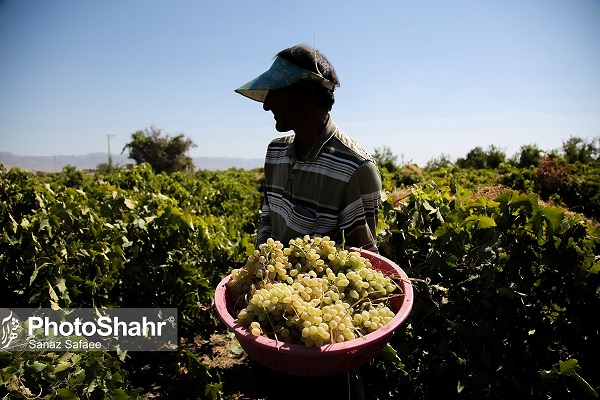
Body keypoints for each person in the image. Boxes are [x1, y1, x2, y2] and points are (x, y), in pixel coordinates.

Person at [235, 44, 382, 253]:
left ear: (305, 94)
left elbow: (363, 259)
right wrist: (262, 265)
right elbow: (268, 217)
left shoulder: (354, 169)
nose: (266, 105)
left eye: (275, 92)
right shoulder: (275, 153)